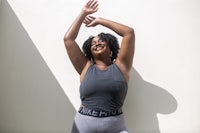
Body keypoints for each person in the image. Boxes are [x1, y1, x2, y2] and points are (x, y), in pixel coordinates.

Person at [63, 0, 135, 132]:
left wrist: (100, 20)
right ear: (90, 51)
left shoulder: (122, 66)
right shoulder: (85, 67)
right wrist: (83, 13)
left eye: (101, 40)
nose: (97, 43)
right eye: (93, 43)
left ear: (111, 48)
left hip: (114, 125)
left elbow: (128, 33)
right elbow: (68, 39)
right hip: (84, 124)